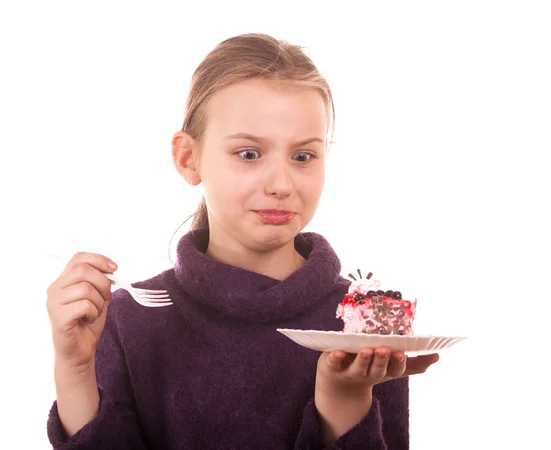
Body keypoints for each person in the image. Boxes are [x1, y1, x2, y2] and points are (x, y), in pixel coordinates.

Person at [45, 33, 439, 449]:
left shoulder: (365, 328)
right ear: (188, 158)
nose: (282, 185)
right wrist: (74, 367)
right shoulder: (126, 319)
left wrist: (344, 401)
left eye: (303, 156)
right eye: (249, 154)